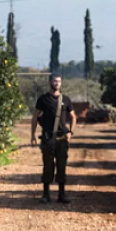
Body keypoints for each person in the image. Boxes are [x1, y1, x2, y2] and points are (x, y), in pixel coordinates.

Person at [30, 73, 77, 204]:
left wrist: (70, 132)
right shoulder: (43, 99)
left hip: (62, 138)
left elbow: (73, 116)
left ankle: (62, 194)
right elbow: (35, 117)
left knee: (62, 166)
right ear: (50, 82)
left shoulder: (66, 99)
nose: (57, 84)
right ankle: (46, 194)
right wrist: (33, 134)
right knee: (48, 166)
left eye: (59, 82)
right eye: (55, 81)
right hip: (47, 138)